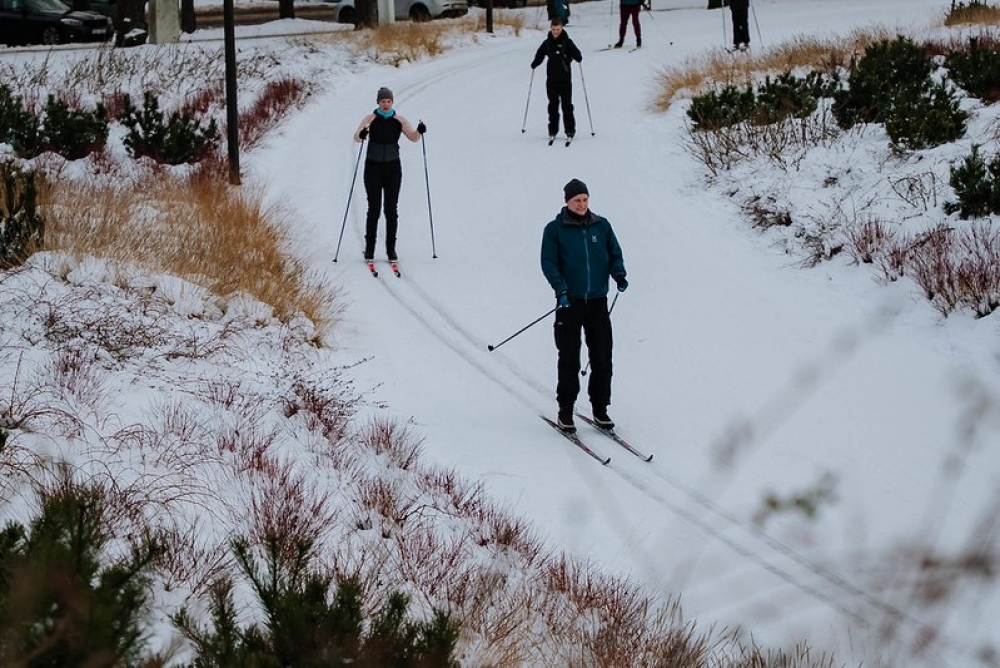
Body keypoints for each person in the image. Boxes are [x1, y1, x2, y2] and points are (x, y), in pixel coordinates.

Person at [540, 179, 628, 433]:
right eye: (577, 200)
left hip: (598, 301)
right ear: (567, 201)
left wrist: (619, 275)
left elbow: (614, 253)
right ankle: (565, 411)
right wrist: (561, 289)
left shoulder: (601, 226)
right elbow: (549, 263)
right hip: (570, 302)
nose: (582, 204)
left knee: (602, 356)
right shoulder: (554, 230)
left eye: (585, 199)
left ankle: (600, 409)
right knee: (569, 357)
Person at [353, 87, 426, 263]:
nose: (386, 104)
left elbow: (413, 138)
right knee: (374, 209)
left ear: (392, 102)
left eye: (388, 101)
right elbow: (357, 137)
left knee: (391, 210)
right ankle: (369, 250)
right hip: (373, 167)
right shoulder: (370, 119)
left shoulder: (399, 120)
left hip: (393, 169)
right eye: (383, 101)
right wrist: (362, 134)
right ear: (378, 102)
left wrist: (420, 130)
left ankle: (391, 250)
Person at [530, 18, 583, 142]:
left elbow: (578, 54)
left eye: (558, 29)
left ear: (561, 28)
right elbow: (540, 55)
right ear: (551, 29)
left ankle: (570, 130)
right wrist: (535, 64)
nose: (555, 32)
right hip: (551, 80)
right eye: (553, 29)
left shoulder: (567, 42)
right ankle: (553, 130)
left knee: (567, 106)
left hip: (565, 80)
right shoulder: (547, 43)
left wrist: (578, 57)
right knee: (553, 105)